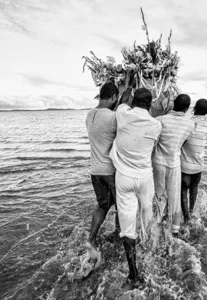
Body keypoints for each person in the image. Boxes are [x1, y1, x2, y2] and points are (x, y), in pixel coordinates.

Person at [110, 87, 162, 288]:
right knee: (146, 213)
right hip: (145, 178)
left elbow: (122, 99)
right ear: (150, 104)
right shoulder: (156, 125)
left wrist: (128, 88)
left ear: (133, 102)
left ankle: (133, 274)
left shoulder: (122, 113)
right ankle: (149, 246)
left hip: (124, 178)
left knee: (127, 227)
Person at [84, 82, 121, 262]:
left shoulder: (89, 114)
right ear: (114, 97)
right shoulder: (114, 117)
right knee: (121, 205)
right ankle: (118, 236)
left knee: (103, 205)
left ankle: (91, 240)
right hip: (111, 171)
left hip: (95, 171)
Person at [152, 94, 196, 237]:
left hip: (158, 162)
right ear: (187, 108)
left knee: (159, 195)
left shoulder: (159, 120)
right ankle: (175, 231)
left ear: (173, 104)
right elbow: (183, 143)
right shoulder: (190, 124)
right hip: (175, 164)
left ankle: (157, 226)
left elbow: (155, 141)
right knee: (175, 197)